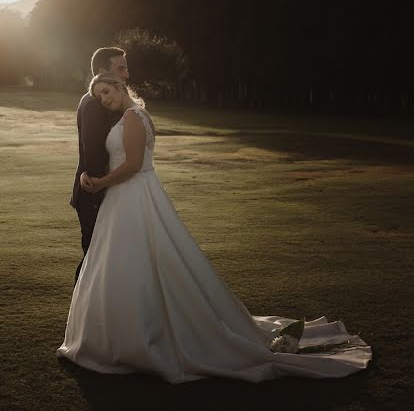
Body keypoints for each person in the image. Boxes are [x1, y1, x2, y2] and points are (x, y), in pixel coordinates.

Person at [57, 74, 372, 383]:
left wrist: (100, 183)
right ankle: (129, 330)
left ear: (119, 87)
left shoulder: (133, 118)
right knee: (130, 262)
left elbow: (134, 165)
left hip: (133, 196)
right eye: (99, 96)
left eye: (106, 92)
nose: (104, 100)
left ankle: (146, 334)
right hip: (127, 198)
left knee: (141, 259)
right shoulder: (135, 115)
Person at [70, 47, 130, 283]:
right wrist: (100, 188)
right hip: (93, 192)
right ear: (103, 71)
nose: (126, 74)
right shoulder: (95, 104)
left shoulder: (100, 101)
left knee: (99, 260)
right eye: (120, 68)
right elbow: (93, 155)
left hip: (100, 189)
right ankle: (82, 316)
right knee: (94, 262)